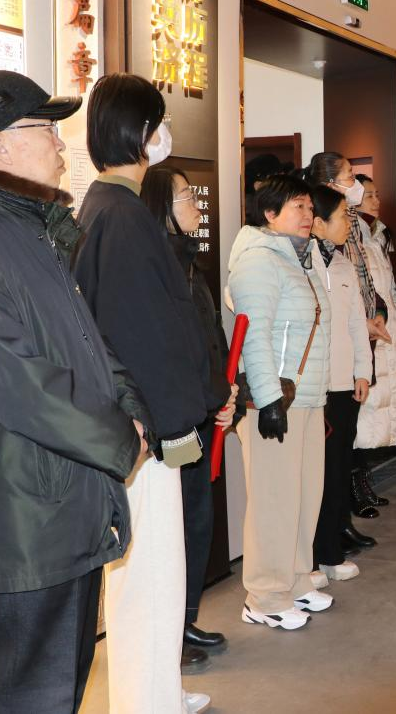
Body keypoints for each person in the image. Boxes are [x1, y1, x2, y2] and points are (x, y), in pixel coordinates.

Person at [0, 70, 145, 713]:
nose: (62, 145)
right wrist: (121, 437)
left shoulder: (27, 229)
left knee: (61, 692)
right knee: (30, 699)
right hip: (23, 517)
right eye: (47, 129)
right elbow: (21, 383)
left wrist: (129, 405)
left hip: (64, 501)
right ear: (1, 141)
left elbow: (85, 344)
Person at [73, 73, 214, 713]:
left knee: (150, 571)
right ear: (139, 133)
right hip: (147, 429)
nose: (166, 135)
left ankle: (158, 693)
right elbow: (144, 336)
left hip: (139, 423)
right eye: (160, 123)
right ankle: (149, 703)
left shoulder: (108, 208)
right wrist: (179, 423)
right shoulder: (123, 216)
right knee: (151, 573)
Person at [140, 165, 241, 659]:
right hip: (176, 422)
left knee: (198, 519)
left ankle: (186, 619)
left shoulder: (188, 264)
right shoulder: (153, 266)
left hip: (200, 413)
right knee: (176, 521)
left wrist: (225, 394)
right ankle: (168, 633)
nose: (195, 203)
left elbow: (210, 339)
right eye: (184, 196)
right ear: (161, 205)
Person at [228, 174, 335, 629]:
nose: (308, 215)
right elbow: (252, 335)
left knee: (304, 495)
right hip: (276, 402)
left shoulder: (300, 258)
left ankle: (294, 579)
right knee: (274, 500)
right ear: (270, 214)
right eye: (298, 207)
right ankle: (265, 595)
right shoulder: (258, 260)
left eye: (310, 207)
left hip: (306, 398)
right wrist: (270, 400)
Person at [306, 156, 396, 521]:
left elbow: (366, 279)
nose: (357, 186)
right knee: (334, 446)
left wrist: (378, 312)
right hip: (331, 359)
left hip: (359, 341)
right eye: (349, 177)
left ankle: (341, 520)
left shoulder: (352, 225)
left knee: (349, 434)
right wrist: (360, 322)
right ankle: (335, 522)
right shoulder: (314, 241)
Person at [310, 184, 373, 581]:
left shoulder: (345, 265)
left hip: (345, 385)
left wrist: (363, 370)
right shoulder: (302, 264)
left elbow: (356, 325)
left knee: (337, 473)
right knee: (312, 477)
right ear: (318, 222)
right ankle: (310, 561)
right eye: (342, 216)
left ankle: (332, 554)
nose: (349, 222)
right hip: (313, 388)